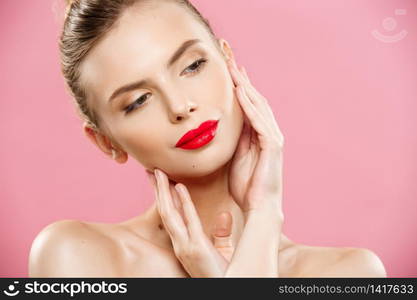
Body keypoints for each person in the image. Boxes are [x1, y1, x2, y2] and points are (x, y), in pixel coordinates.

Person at [28, 0, 387, 277]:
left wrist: (264, 215)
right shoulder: (77, 256)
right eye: (138, 101)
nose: (181, 106)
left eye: (192, 66)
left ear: (227, 59)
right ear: (106, 141)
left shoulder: (350, 273)